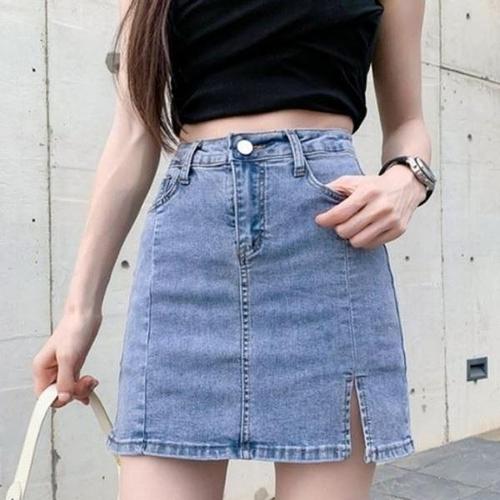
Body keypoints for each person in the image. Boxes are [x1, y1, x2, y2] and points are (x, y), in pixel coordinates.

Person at [32, 0, 436, 499]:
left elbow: (408, 123)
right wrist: (79, 312)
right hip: (189, 257)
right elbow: (133, 131)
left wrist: (408, 179)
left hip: (327, 247)